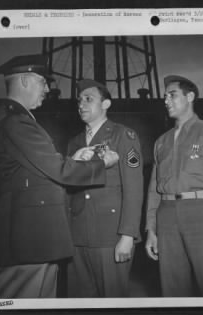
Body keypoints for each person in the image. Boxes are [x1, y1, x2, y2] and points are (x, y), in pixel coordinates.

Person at [0, 54, 119, 298]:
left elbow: (35, 170)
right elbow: (58, 171)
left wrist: (74, 160)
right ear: (26, 81)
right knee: (24, 299)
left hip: (34, 237)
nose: (48, 89)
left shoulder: (14, 118)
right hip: (30, 239)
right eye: (43, 82)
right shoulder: (17, 122)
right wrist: (103, 163)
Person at [145, 75, 203, 297]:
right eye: (165, 96)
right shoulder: (161, 141)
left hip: (201, 213)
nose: (166, 100)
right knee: (172, 287)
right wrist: (150, 230)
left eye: (172, 95)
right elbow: (154, 190)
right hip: (166, 216)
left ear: (190, 96)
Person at [66, 79, 143, 297]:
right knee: (79, 301)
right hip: (77, 235)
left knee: (112, 298)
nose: (81, 104)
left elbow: (134, 189)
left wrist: (128, 235)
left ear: (106, 104)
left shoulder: (123, 136)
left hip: (110, 235)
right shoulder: (74, 142)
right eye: (79, 100)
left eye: (89, 99)